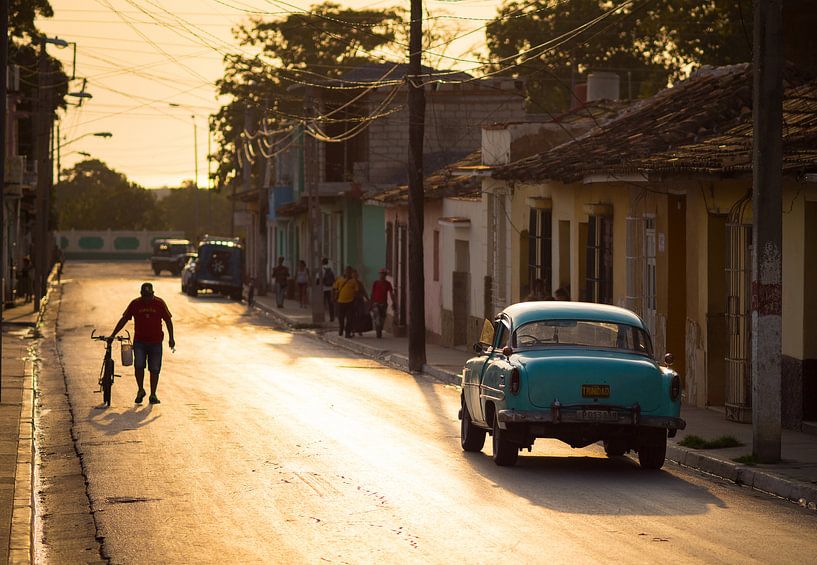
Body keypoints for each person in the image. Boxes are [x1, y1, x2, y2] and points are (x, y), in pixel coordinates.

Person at [109, 282, 175, 405]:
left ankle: (153, 394)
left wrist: (171, 338)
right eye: (145, 296)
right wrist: (113, 334)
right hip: (140, 342)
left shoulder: (159, 303)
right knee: (139, 365)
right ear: (141, 295)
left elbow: (168, 321)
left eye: (149, 296)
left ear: (153, 294)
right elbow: (124, 319)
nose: (147, 299)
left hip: (156, 342)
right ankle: (140, 390)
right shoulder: (135, 304)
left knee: (154, 368)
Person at [332, 266, 360, 338]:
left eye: (349, 271)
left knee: (349, 318)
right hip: (341, 302)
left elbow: (357, 292)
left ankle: (347, 332)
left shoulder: (354, 281)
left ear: (351, 273)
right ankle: (341, 327)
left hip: (350, 302)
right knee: (341, 317)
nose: (348, 273)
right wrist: (333, 297)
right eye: (346, 271)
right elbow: (334, 288)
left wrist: (356, 301)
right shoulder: (339, 279)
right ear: (344, 271)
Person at [370, 268, 395, 339]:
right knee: (377, 317)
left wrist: (393, 302)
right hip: (376, 303)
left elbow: (391, 293)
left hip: (383, 303)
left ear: (385, 275)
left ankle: (379, 329)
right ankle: (378, 332)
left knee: (382, 318)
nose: (381, 275)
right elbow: (372, 293)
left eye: (383, 274)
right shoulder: (376, 283)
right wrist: (370, 303)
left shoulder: (387, 284)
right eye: (381, 274)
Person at [350, 269, 370, 336]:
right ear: (352, 275)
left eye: (356, 275)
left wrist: (368, 299)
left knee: (360, 315)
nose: (355, 276)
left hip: (359, 301)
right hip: (352, 301)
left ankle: (359, 330)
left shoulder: (359, 283)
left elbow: (364, 291)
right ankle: (352, 330)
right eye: (354, 275)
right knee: (352, 316)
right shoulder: (349, 283)